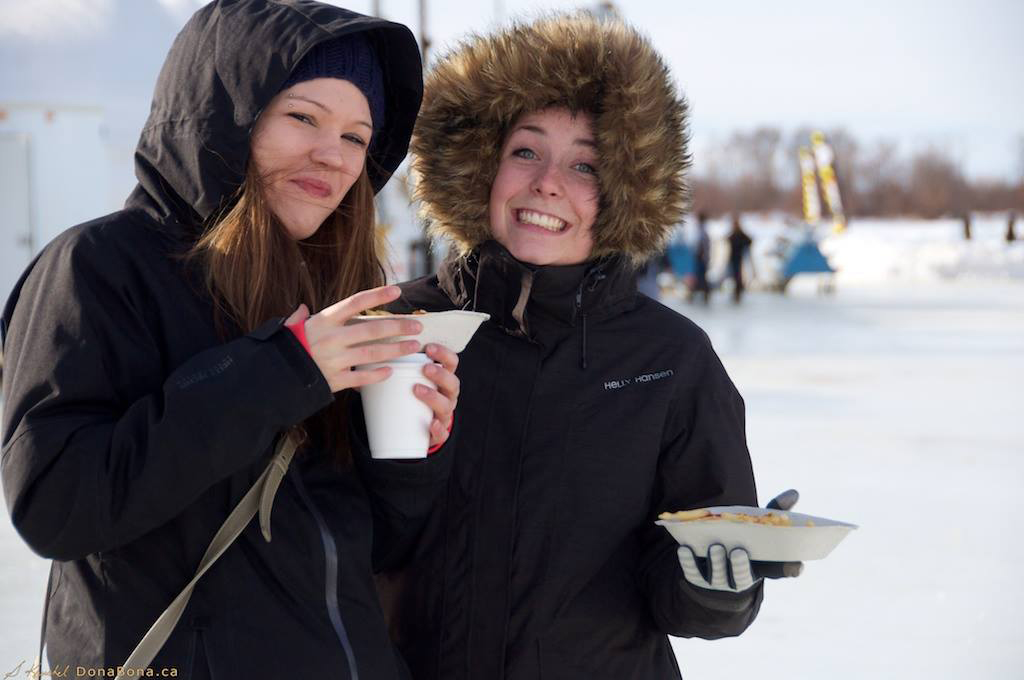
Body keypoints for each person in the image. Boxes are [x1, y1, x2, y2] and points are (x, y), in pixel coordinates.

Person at [1, 1, 460, 677]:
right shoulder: (97, 268)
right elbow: (58, 508)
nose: (331, 157)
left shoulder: (330, 286)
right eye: (303, 117)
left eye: (357, 138)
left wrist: (413, 444)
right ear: (223, 117)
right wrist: (280, 372)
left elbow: (368, 545)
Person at [377, 14, 799, 680]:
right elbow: (334, 545)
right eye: (525, 150)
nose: (548, 182)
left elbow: (689, 599)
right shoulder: (399, 324)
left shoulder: (669, 359)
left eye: (585, 165)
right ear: (479, 164)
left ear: (623, 194)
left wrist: (718, 582)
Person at [727, 213, 754, 303]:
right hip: (735, 258)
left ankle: (738, 292)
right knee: (736, 276)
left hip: (738, 258)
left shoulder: (738, 234)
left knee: (737, 276)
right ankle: (737, 291)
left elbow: (749, 240)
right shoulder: (735, 234)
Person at [693, 211, 712, 305]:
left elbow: (703, 246)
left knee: (701, 276)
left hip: (701, 258)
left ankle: (704, 293)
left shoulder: (701, 231)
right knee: (700, 276)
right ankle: (703, 293)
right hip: (701, 258)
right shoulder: (702, 230)